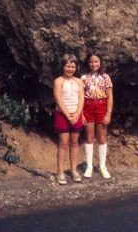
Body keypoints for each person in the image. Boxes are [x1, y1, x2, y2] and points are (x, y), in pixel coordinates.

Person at [53, 54, 84, 185]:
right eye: (67, 66)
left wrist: (77, 114)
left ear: (76, 67)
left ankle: (74, 170)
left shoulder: (79, 81)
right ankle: (60, 172)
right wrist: (68, 115)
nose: (70, 69)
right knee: (63, 144)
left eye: (73, 66)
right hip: (62, 115)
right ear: (63, 66)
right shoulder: (58, 81)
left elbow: (82, 99)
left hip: (76, 115)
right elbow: (58, 100)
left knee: (75, 143)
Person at [81, 53, 113, 179]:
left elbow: (110, 96)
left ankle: (102, 166)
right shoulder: (83, 77)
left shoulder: (105, 77)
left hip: (101, 107)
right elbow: (81, 97)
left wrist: (108, 113)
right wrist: (81, 113)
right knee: (89, 137)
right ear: (88, 63)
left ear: (100, 62)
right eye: (91, 62)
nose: (94, 64)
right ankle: (89, 166)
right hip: (88, 107)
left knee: (101, 138)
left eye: (96, 61)